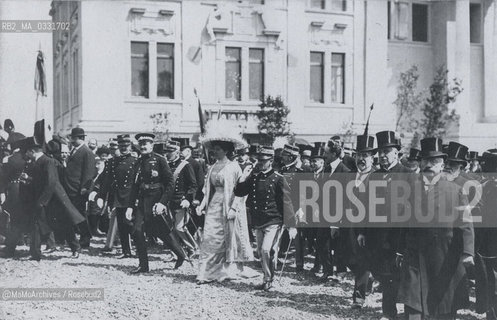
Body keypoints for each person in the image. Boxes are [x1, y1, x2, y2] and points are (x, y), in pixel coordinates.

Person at [397, 137, 474, 319]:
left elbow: (466, 223)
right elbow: (402, 223)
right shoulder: (409, 189)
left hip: (444, 256)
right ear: (420, 163)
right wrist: (400, 250)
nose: (429, 165)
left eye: (434, 161)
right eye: (425, 160)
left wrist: (467, 252)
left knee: (443, 308)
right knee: (413, 306)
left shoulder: (456, 190)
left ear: (442, 166)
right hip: (415, 256)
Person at [234, 145, 296, 291]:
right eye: (259, 160)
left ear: (271, 160)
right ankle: (267, 279)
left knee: (265, 250)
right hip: (258, 220)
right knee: (262, 253)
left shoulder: (278, 179)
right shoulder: (254, 178)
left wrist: (291, 225)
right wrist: (242, 178)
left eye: (264, 161)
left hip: (274, 220)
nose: (260, 163)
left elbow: (287, 202)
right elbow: (239, 192)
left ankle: (268, 279)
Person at [196, 136, 254, 284]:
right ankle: (206, 271)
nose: (215, 152)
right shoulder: (212, 167)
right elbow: (207, 189)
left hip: (228, 204)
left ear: (226, 150)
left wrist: (234, 208)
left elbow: (241, 191)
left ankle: (226, 270)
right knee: (209, 237)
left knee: (226, 238)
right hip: (214, 204)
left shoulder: (234, 167)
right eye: (214, 149)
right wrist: (202, 205)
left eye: (218, 149)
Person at [127, 133, 187, 274]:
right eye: (141, 144)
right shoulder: (138, 162)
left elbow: (170, 183)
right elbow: (135, 186)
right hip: (142, 202)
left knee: (163, 232)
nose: (143, 146)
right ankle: (143, 265)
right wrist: (130, 206)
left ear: (152, 145)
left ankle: (180, 254)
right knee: (137, 231)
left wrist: (162, 203)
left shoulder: (160, 160)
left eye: (146, 143)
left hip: (156, 202)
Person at [21, 137, 85, 260]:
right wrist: (28, 179)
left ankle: (75, 248)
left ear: (32, 151)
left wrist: (43, 201)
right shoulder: (37, 162)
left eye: (27, 152)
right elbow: (40, 181)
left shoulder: (48, 161)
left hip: (55, 199)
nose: (26, 155)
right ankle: (35, 253)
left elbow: (51, 182)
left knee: (64, 223)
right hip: (45, 198)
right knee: (36, 223)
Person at [95, 134, 138, 259]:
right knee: (122, 224)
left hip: (131, 197)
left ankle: (135, 248)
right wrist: (101, 196)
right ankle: (126, 251)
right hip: (118, 198)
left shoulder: (135, 162)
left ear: (130, 146)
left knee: (131, 224)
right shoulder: (112, 162)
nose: (124, 148)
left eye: (126, 146)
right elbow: (105, 181)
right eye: (121, 146)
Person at [347, 135, 377, 309]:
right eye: (359, 155)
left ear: (372, 158)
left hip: (368, 227)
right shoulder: (350, 176)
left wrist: (365, 230)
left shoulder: (377, 176)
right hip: (349, 226)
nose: (361, 159)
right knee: (350, 260)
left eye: (365, 155)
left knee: (361, 261)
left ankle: (358, 297)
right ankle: (369, 278)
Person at [317, 137, 351, 282]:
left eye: (326, 153)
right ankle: (328, 270)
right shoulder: (325, 169)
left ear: (334, 154)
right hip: (324, 214)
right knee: (322, 242)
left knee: (338, 245)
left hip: (338, 215)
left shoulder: (345, 171)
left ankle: (341, 272)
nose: (323, 155)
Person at [164, 140, 197, 255]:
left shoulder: (185, 165)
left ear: (177, 152)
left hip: (181, 200)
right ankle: (177, 253)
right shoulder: (166, 165)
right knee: (170, 229)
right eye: (167, 151)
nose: (167, 154)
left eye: (170, 151)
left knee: (179, 227)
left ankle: (192, 247)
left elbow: (193, 185)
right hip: (168, 201)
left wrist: (188, 199)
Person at [64, 127, 96, 249]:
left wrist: (84, 188)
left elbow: (89, 173)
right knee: (75, 214)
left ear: (80, 138)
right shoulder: (75, 150)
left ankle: (85, 239)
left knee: (80, 215)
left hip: (78, 190)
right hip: (71, 188)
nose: (71, 140)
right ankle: (80, 238)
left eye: (73, 138)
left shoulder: (86, 152)